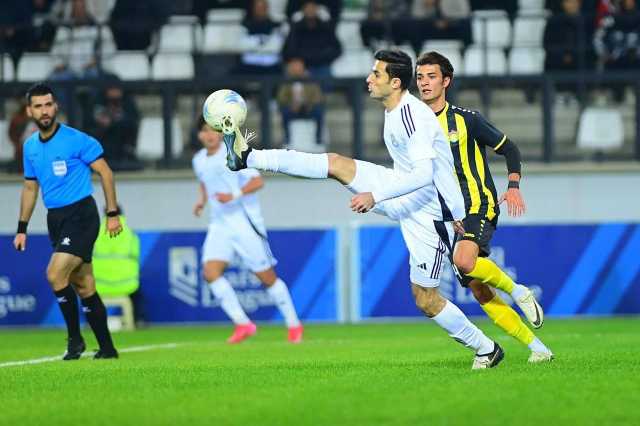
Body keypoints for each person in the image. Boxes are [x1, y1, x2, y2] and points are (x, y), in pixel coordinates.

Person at [222, 49, 504, 369]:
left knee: (426, 299)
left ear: (395, 83)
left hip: (431, 212)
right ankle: (247, 157)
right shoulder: (394, 108)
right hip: (405, 190)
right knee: (334, 163)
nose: (369, 79)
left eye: (376, 74)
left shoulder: (413, 116)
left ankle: (486, 348)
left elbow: (425, 176)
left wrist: (376, 195)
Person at [414, 51, 553, 363]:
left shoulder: (466, 119)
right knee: (479, 290)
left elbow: (510, 149)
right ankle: (538, 349)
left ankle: (519, 291)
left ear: (445, 81)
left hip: (478, 205)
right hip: (448, 218)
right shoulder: (414, 128)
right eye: (420, 77)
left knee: (464, 261)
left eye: (431, 76)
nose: (424, 83)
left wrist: (513, 185)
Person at [13, 83, 120, 360]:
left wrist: (112, 214)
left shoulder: (76, 139)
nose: (44, 110)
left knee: (54, 274)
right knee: (84, 284)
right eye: (38, 106)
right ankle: (107, 349)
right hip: (56, 219)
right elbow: (29, 188)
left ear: (56, 106)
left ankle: (75, 340)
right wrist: (21, 228)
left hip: (82, 215)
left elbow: (106, 173)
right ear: (30, 111)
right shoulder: (30, 147)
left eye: (48, 104)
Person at [192, 116, 304, 344]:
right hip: (219, 224)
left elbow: (257, 182)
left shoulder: (233, 152)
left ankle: (294, 325)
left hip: (244, 223)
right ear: (199, 135)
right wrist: (201, 201)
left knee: (267, 278)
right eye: (204, 131)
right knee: (210, 273)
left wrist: (233, 196)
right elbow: (206, 181)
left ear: (222, 133)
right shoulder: (199, 160)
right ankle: (243, 324)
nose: (209, 135)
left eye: (213, 130)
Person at [93, 205, 145, 326]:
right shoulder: (130, 235)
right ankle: (138, 321)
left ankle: (89, 323)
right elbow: (136, 259)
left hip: (100, 284)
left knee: (84, 293)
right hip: (126, 284)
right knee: (138, 295)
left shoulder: (95, 233)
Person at [277, 58, 325, 146]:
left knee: (319, 112)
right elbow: (281, 97)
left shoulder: (310, 80)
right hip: (293, 108)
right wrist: (291, 104)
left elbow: (318, 96)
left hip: (308, 107)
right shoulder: (287, 81)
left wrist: (308, 104)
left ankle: (318, 138)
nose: (296, 70)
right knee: (284, 113)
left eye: (298, 67)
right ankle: (287, 138)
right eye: (293, 67)